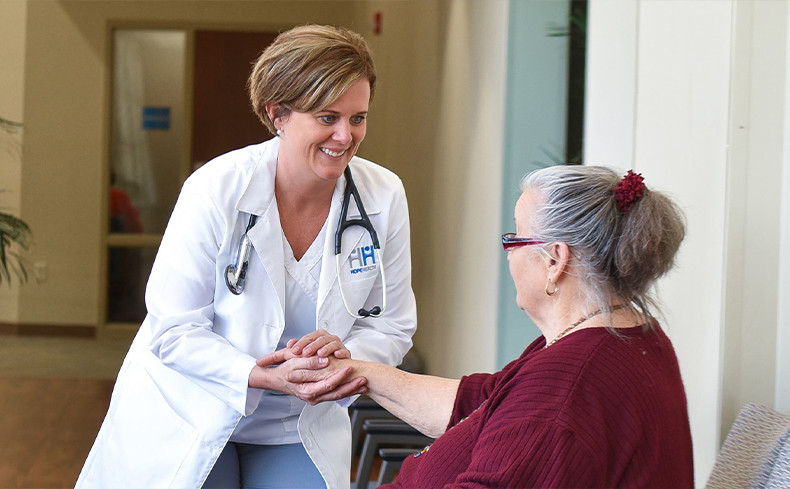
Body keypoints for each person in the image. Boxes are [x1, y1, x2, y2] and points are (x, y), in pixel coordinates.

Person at [76, 24, 417, 489]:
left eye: (358, 118)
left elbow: (392, 325)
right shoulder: (217, 189)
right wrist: (259, 374)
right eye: (327, 117)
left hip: (299, 422)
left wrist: (346, 357)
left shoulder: (383, 195)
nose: (345, 136)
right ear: (278, 113)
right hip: (194, 406)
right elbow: (173, 329)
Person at [261, 165, 693, 488]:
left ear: (555, 260)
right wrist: (356, 371)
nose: (508, 255)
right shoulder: (626, 340)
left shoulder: (568, 387)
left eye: (515, 239)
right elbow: (484, 404)